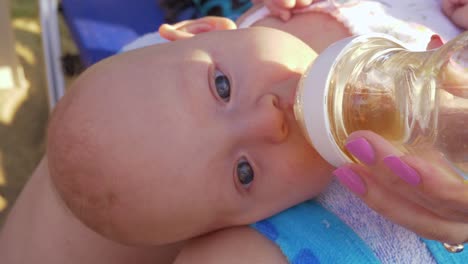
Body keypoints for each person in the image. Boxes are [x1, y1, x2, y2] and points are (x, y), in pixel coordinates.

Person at [0, 1, 467, 263]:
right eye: (245, 172)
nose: (269, 121)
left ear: (202, 28)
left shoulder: (287, 17)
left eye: (222, 86)